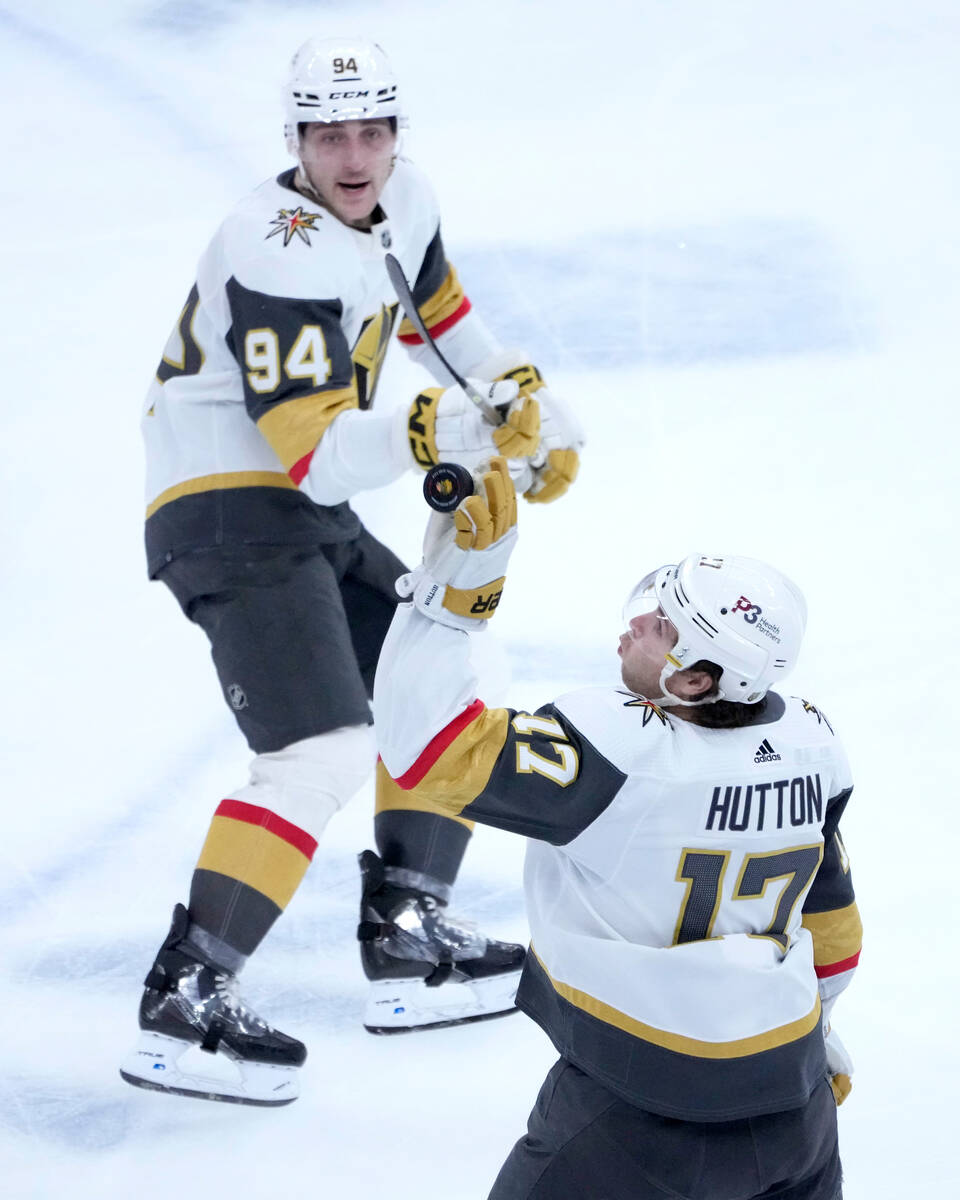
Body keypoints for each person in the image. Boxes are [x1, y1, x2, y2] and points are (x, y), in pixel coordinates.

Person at [120, 37, 584, 1106]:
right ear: (296, 140)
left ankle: (409, 927)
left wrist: (525, 403)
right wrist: (457, 427)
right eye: (330, 133)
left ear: (395, 131)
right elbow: (319, 451)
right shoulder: (269, 245)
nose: (355, 152)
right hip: (229, 506)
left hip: (297, 508)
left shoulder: (403, 197)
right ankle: (189, 990)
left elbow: (442, 320)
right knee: (317, 753)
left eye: (372, 128)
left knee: (448, 678)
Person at [374, 459, 861, 1200]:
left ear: (695, 681)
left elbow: (425, 749)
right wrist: (812, 1035)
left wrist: (451, 600)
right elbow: (831, 922)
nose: (636, 622)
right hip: (798, 1113)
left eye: (661, 626)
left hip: (641, 1117)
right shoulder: (812, 745)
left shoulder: (621, 750)